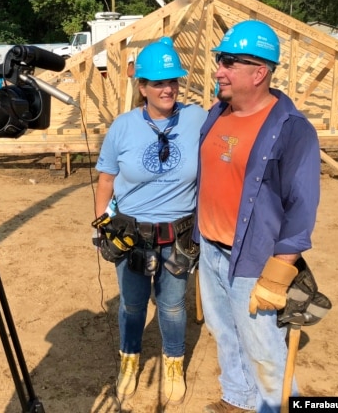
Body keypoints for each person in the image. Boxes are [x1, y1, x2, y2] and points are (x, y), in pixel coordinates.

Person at [196, 20, 321, 413]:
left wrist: (281, 269)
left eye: (229, 63)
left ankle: (275, 407)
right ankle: (238, 398)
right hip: (210, 251)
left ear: (259, 72)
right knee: (224, 333)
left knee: (263, 346)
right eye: (220, 60)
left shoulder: (291, 129)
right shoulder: (217, 113)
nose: (219, 70)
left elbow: (302, 205)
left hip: (253, 258)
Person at [93, 37, 207, 405]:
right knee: (132, 304)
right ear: (141, 87)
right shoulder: (123, 127)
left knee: (173, 305)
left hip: (178, 234)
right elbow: (106, 180)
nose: (168, 89)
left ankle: (173, 362)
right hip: (131, 234)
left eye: (173, 81)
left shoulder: (197, 118)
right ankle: (130, 359)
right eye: (158, 82)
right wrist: (101, 225)